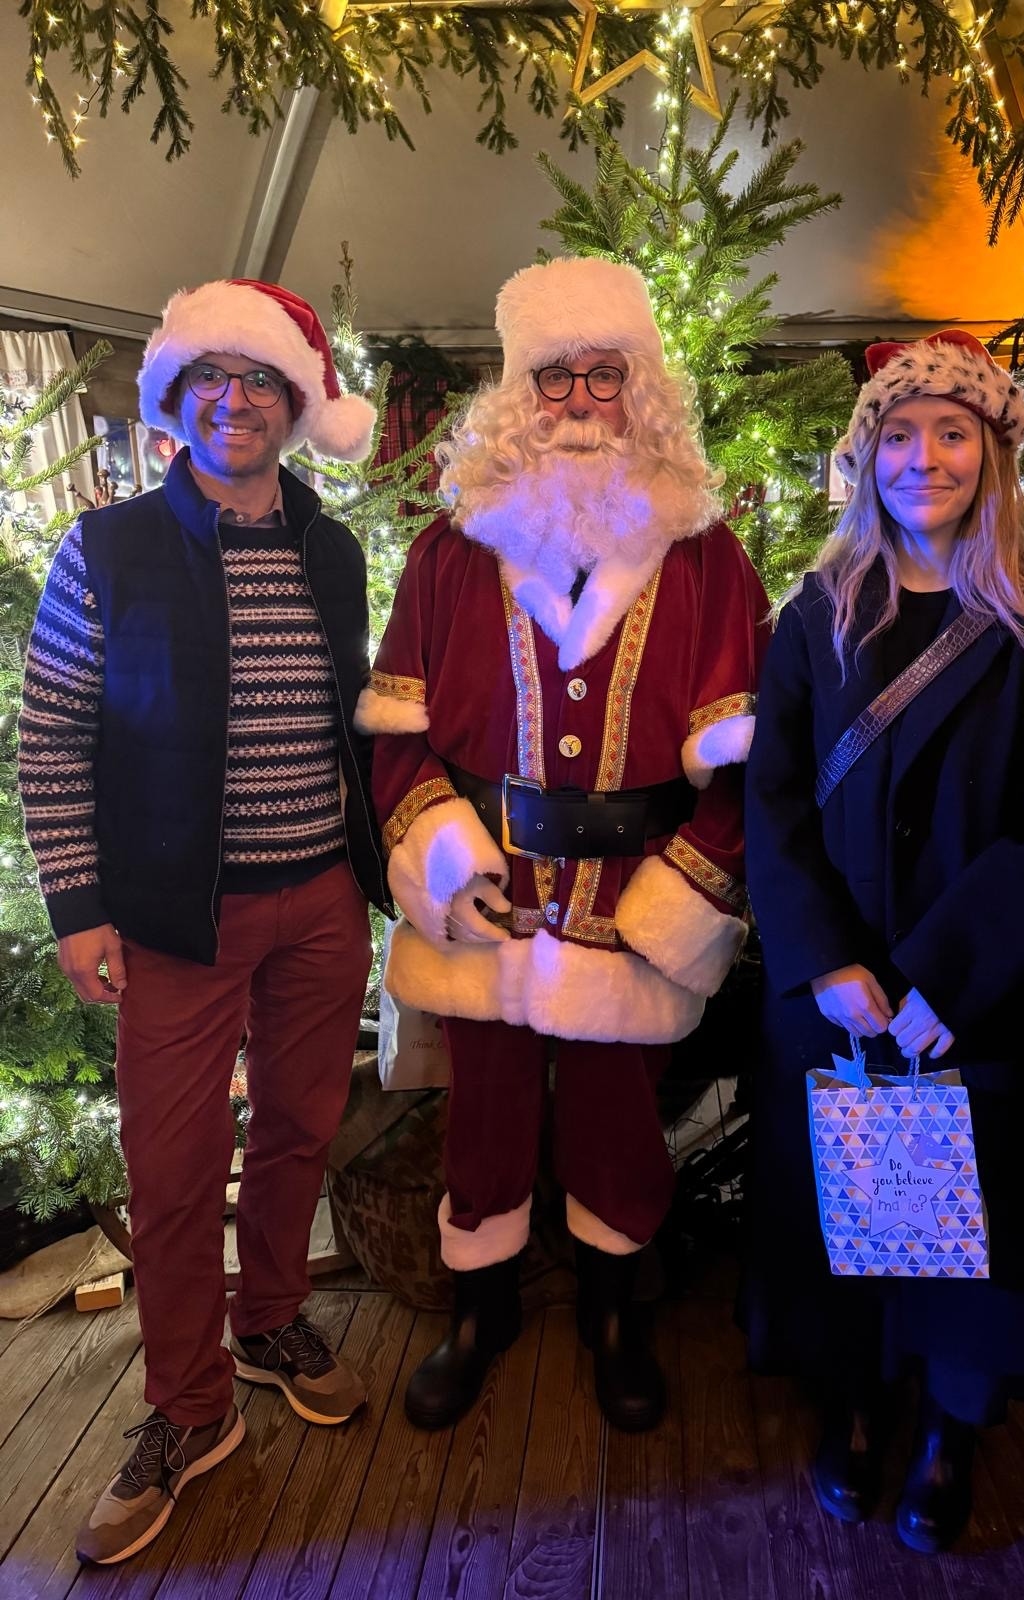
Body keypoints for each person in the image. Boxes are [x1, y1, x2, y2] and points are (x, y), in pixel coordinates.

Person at [359, 256, 768, 1434]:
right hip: (488, 897)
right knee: (482, 1116)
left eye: (605, 375)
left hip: (634, 897)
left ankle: (612, 1316)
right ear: (518, 393)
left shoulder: (705, 554)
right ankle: (479, 1312)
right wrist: (444, 861)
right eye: (556, 377)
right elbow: (397, 740)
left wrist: (685, 894)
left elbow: (751, 767)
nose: (581, 401)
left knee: (617, 1120)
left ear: (642, 391)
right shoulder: (451, 550)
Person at [18, 278, 390, 1565]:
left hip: (322, 902)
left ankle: (271, 1317)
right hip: (176, 917)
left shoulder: (331, 550)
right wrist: (79, 905)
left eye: (263, 380)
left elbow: (353, 719)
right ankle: (188, 1404)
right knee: (174, 1170)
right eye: (213, 379)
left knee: (300, 1127)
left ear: (298, 402)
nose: (237, 401)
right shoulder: (107, 547)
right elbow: (52, 737)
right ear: (177, 400)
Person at [741, 330, 1024, 1552]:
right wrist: (822, 958)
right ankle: (852, 1404)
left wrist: (951, 976)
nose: (925, 458)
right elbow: (773, 798)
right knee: (846, 1203)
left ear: (994, 453)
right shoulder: (819, 614)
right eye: (898, 435)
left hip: (984, 992)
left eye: (954, 432)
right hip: (838, 990)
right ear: (866, 457)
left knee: (977, 1226)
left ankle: (952, 1429)